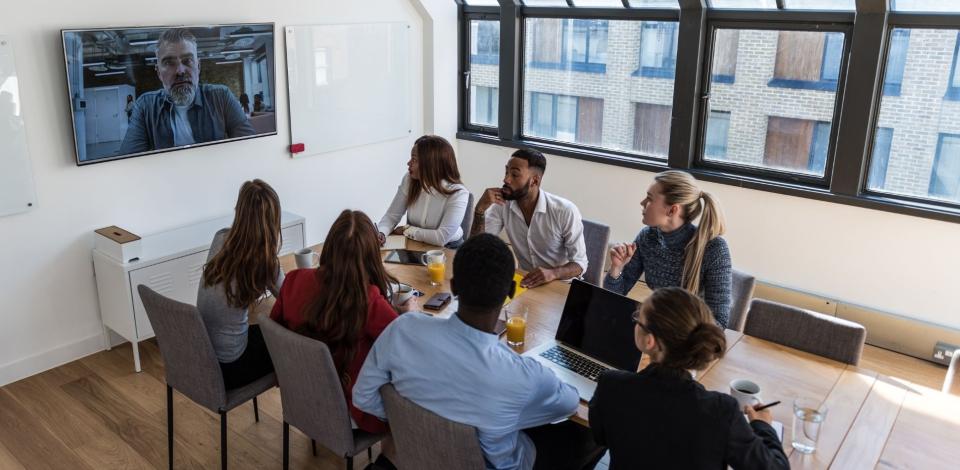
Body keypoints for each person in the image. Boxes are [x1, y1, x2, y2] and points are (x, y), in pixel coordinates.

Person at [354, 234, 603, 470]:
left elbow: (363, 396)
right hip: (501, 463)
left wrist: (411, 424)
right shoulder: (521, 376)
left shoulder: (403, 328)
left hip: (419, 456)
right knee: (592, 435)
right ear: (510, 292)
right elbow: (569, 403)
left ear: (453, 286)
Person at [588, 287, 789, 469]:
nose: (635, 321)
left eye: (637, 319)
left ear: (649, 342)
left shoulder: (610, 386)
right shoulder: (721, 412)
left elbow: (601, 436)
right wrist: (763, 426)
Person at [270, 210, 418, 437]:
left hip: (301, 397)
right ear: (371, 257)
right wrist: (409, 316)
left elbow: (275, 335)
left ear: (328, 246)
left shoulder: (293, 281)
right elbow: (406, 349)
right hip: (349, 410)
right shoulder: (367, 300)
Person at [603, 170, 732, 328]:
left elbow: (718, 323)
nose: (642, 202)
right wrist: (617, 268)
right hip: (659, 332)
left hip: (691, 343)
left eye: (650, 198)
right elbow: (613, 296)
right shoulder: (647, 237)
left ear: (672, 210)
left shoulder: (714, 249)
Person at [197, 179, 284, 390]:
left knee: (270, 333)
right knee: (290, 344)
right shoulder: (263, 260)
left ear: (239, 210)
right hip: (232, 367)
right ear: (272, 220)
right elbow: (290, 295)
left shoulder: (221, 238)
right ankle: (305, 409)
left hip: (205, 359)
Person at [120, 28, 255, 154]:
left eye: (187, 60)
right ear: (159, 73)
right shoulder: (145, 107)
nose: (180, 71)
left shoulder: (221, 97)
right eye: (169, 63)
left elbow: (250, 149)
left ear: (198, 66)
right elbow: (129, 162)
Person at [469, 148, 588, 288]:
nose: (506, 179)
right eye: (506, 172)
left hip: (560, 286)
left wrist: (553, 273)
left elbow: (580, 264)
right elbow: (476, 250)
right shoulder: (502, 204)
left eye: (514, 174)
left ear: (534, 181)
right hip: (524, 284)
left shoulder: (564, 211)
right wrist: (480, 210)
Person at [377, 135, 469, 248]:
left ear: (431, 165)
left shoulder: (458, 193)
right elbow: (392, 216)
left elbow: (441, 238)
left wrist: (407, 230)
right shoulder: (409, 180)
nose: (408, 163)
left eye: (414, 159)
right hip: (414, 242)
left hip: (449, 248)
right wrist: (381, 233)